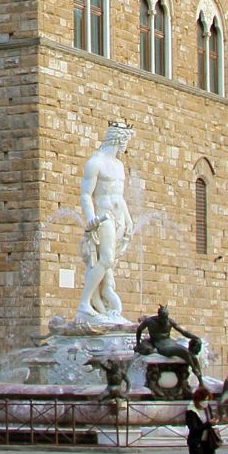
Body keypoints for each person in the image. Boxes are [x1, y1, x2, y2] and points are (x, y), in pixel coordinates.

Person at [72, 120, 136, 325]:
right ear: (119, 139)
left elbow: (120, 196)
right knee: (106, 259)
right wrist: (90, 217)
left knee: (109, 264)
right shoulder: (95, 162)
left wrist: (128, 219)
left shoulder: (118, 165)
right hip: (104, 217)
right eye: (126, 142)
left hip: (119, 218)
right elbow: (85, 194)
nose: (126, 148)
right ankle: (84, 304)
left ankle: (101, 303)